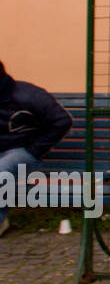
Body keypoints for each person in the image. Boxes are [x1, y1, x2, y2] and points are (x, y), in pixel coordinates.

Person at [0, 60, 73, 235]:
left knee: (2, 170)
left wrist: (34, 150)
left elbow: (62, 120)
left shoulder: (29, 95)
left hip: (21, 151)